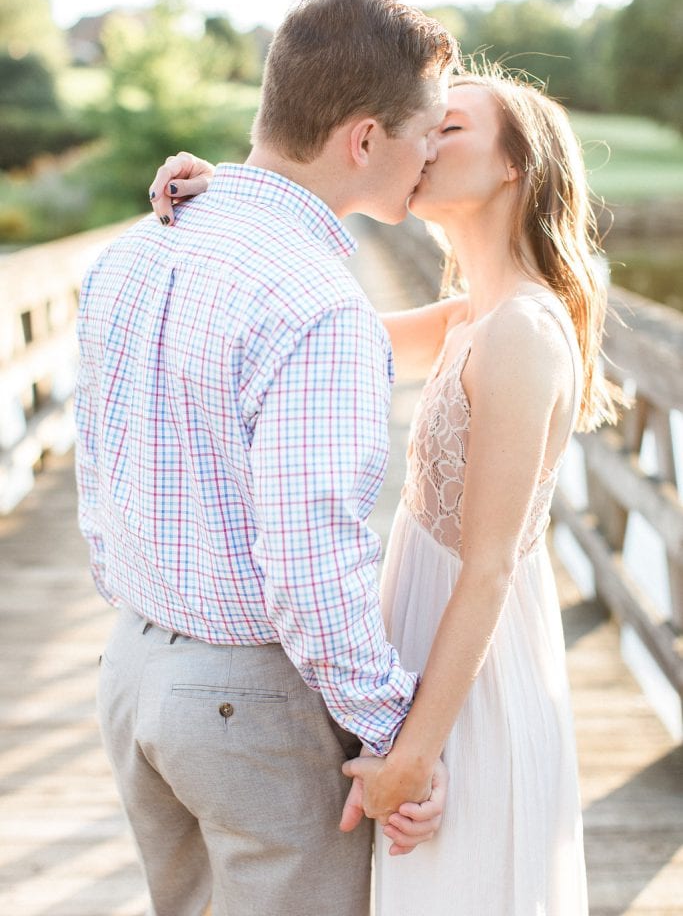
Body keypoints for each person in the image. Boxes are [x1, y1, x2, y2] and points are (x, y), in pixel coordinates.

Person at [154, 67, 621, 915]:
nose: (425, 141)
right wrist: (234, 193)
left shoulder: (521, 328)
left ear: (515, 164)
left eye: (452, 129)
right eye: (425, 126)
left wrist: (414, 753)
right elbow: (312, 331)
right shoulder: (470, 312)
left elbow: (487, 569)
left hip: (467, 673)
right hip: (420, 644)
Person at [74, 0, 458, 916]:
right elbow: (309, 558)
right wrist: (394, 740)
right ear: (364, 141)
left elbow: (98, 466)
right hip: (246, 701)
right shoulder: (317, 304)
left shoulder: (136, 248)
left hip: (131, 671)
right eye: (429, 130)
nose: (434, 153)